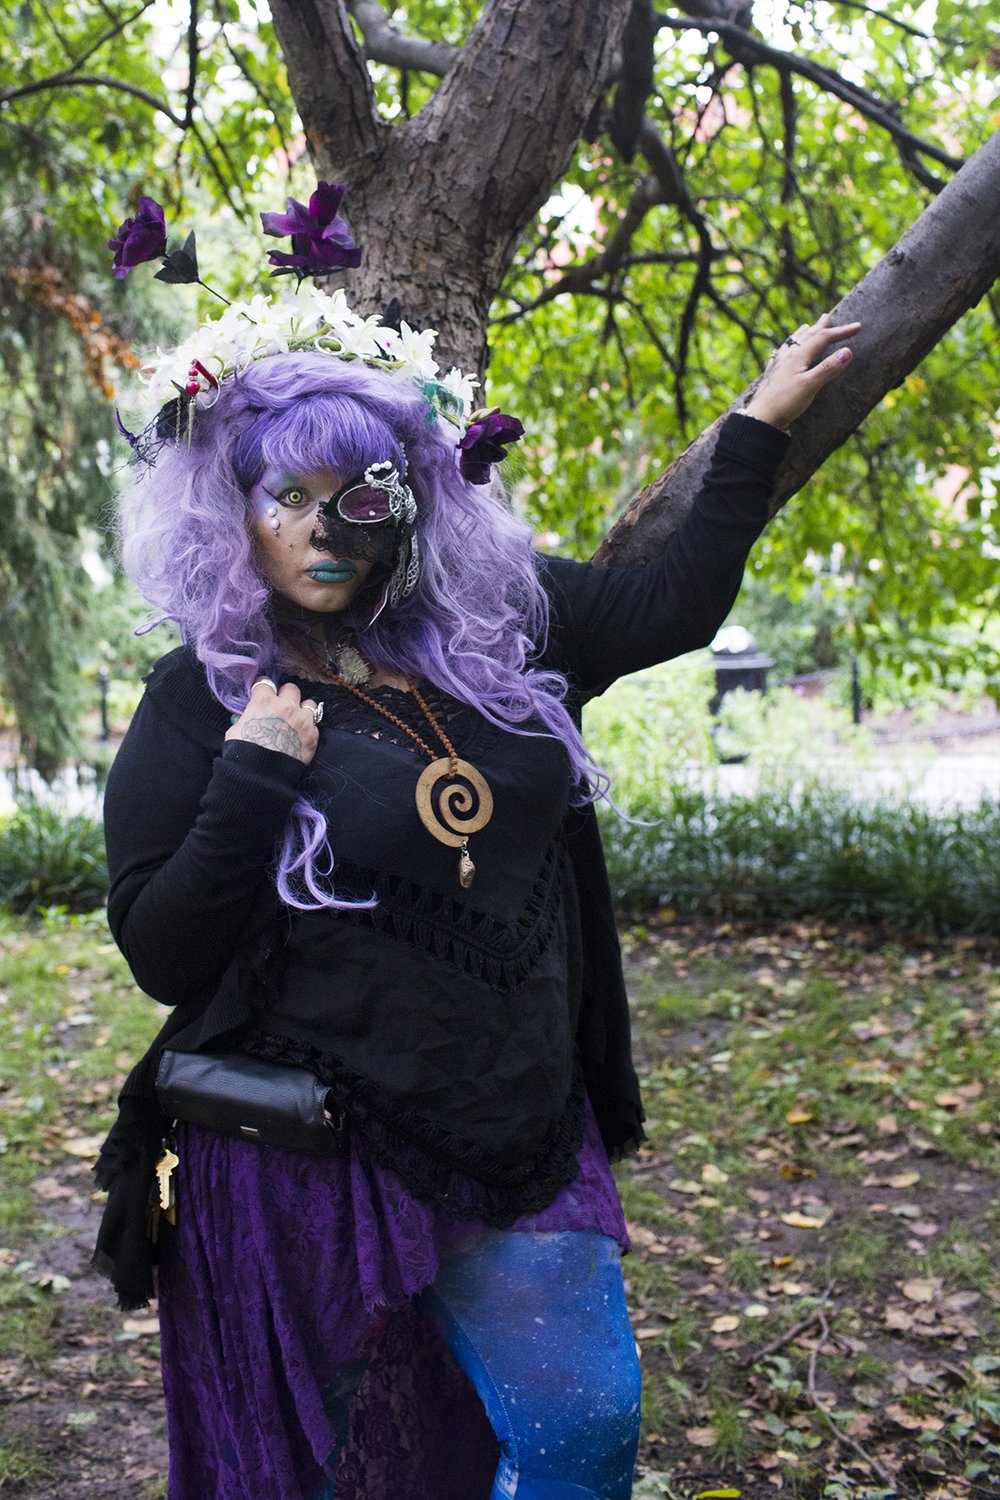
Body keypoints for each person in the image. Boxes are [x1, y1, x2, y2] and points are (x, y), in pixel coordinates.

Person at [94, 274, 859, 1499]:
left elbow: (673, 603)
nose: (321, 529)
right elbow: (162, 954)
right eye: (283, 497)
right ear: (229, 512)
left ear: (410, 500)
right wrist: (250, 778)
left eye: (358, 495)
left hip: (515, 1124)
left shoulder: (496, 631)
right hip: (313, 1159)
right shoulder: (201, 695)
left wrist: (757, 425)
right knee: (321, 1463)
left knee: (586, 1429)